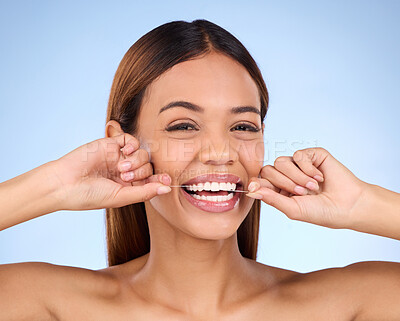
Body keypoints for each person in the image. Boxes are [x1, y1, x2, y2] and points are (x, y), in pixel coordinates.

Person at [0, 19, 399, 320]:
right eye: (184, 126)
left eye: (243, 126)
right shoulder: (50, 304)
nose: (220, 152)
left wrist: (363, 204)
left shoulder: (346, 304)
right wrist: (52, 185)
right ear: (122, 142)